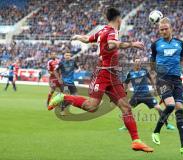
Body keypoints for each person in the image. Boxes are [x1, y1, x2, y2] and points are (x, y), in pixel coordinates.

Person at [48, 7, 153, 152]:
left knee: (126, 107)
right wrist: (132, 44)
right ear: (119, 19)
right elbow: (111, 44)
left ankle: (136, 140)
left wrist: (78, 36)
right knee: (92, 107)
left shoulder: (102, 30)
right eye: (121, 19)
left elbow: (87, 39)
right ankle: (64, 97)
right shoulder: (111, 31)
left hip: (113, 76)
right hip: (102, 74)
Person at [150, 17, 183, 155]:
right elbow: (152, 61)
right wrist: (153, 78)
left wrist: (179, 69)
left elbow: (182, 58)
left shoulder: (180, 43)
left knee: (179, 109)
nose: (163, 31)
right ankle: (156, 131)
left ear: (171, 28)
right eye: (161, 29)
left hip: (176, 80)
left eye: (165, 29)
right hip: (162, 79)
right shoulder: (156, 44)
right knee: (170, 105)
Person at [118, 58, 175, 141]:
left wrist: (154, 87)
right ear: (134, 63)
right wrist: (124, 92)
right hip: (136, 96)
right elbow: (126, 83)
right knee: (126, 109)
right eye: (137, 62)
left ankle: (167, 125)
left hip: (147, 95)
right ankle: (126, 126)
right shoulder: (130, 73)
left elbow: (151, 79)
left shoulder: (144, 71)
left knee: (159, 108)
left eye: (139, 62)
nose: (138, 63)